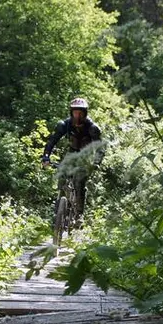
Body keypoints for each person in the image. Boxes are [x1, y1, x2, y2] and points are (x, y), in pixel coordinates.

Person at [41, 97, 104, 227]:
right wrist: (46, 157)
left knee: (79, 181)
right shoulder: (65, 125)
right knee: (62, 176)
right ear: (71, 112)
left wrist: (96, 163)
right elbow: (52, 141)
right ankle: (59, 210)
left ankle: (79, 215)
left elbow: (100, 148)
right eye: (75, 112)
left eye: (80, 112)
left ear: (85, 113)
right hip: (71, 154)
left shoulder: (92, 128)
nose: (78, 115)